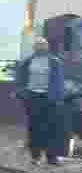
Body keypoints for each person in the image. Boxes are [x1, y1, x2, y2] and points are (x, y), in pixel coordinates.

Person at [15, 37, 66, 165]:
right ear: (34, 47)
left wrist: (59, 99)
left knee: (52, 128)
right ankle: (35, 156)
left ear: (47, 47)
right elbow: (21, 80)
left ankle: (52, 157)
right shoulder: (27, 62)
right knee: (34, 128)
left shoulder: (55, 62)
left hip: (49, 98)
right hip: (33, 98)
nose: (41, 47)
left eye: (43, 44)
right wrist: (22, 94)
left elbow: (59, 82)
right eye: (38, 44)